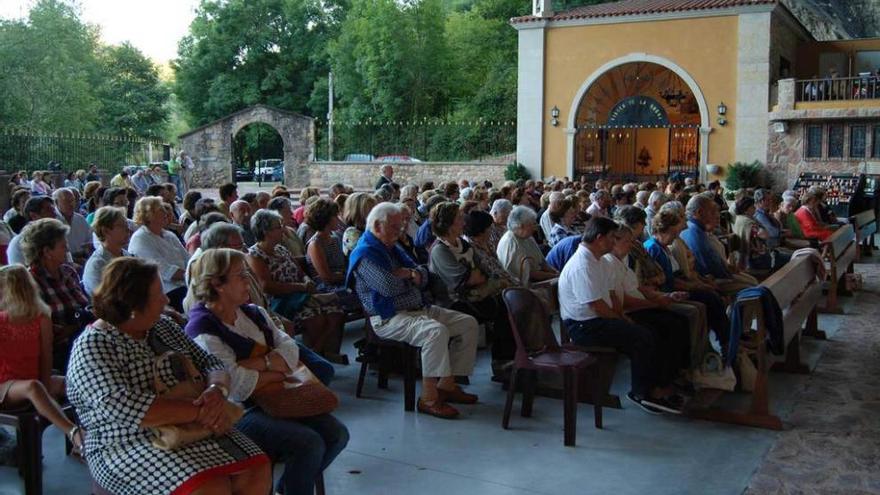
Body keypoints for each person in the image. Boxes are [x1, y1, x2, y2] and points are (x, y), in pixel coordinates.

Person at [66, 257, 272, 495]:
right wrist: (204, 410)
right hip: (127, 441)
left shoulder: (163, 326)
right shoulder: (93, 345)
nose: (166, 300)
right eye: (158, 296)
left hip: (196, 426)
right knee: (209, 488)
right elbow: (123, 407)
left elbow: (210, 362)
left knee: (257, 469)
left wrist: (217, 390)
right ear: (134, 306)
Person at [185, 249, 349, 495]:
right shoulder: (203, 330)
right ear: (218, 284)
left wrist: (257, 365)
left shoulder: (253, 313)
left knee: (337, 434)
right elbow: (235, 386)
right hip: (239, 411)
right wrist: (275, 366)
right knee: (309, 442)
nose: (248, 281)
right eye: (240, 276)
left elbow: (291, 350)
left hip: (278, 395)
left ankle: (288, 486)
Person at [348, 202, 480, 419]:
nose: (400, 232)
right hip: (388, 318)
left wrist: (409, 274)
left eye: (401, 227)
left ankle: (447, 385)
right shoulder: (365, 253)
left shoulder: (392, 247)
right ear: (377, 225)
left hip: (418, 309)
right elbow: (389, 288)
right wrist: (413, 278)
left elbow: (425, 274)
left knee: (467, 323)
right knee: (434, 332)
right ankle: (428, 398)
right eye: (394, 227)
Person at [558, 217, 684, 414]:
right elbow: (597, 306)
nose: (613, 242)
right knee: (641, 336)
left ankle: (661, 384)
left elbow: (610, 295)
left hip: (597, 320)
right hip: (583, 326)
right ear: (600, 238)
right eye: (612, 237)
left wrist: (622, 317)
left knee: (655, 328)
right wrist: (621, 320)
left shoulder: (596, 260)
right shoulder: (583, 264)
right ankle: (642, 393)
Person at [0, 265, 84, 451]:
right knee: (33, 387)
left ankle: (92, 432)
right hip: (5, 386)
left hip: (31, 378)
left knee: (71, 383)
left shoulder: (41, 317)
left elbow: (47, 356)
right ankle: (72, 432)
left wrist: (46, 384)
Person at [429, 202, 515, 376]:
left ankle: (506, 359)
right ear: (448, 224)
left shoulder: (462, 243)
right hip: (452, 300)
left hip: (473, 295)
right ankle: (502, 362)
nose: (464, 222)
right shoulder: (440, 250)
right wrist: (474, 276)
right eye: (459, 219)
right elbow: (462, 280)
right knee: (503, 306)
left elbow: (483, 271)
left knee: (508, 303)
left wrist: (475, 276)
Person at [247, 210, 346, 360]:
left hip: (300, 296)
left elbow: (299, 271)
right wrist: (301, 287)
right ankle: (313, 356)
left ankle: (319, 353)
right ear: (266, 231)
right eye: (278, 226)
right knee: (316, 316)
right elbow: (266, 286)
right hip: (280, 301)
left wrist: (306, 280)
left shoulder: (280, 249)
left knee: (336, 311)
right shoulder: (255, 255)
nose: (283, 229)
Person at [645, 211, 730, 360]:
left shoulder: (664, 246)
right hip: (668, 291)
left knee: (713, 296)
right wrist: (695, 286)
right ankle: (708, 349)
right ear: (663, 230)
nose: (676, 237)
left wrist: (699, 283)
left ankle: (720, 343)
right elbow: (666, 282)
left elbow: (677, 274)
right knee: (708, 301)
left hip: (676, 285)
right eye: (674, 233)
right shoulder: (653, 248)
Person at [20, 218, 93, 371]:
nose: (67, 249)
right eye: (62, 246)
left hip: (85, 339)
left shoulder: (68, 272)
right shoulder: (30, 282)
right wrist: (78, 324)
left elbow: (86, 306)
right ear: (47, 252)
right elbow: (42, 329)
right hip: (60, 352)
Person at [128, 196, 190, 312]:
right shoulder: (141, 238)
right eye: (160, 210)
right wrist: (192, 276)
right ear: (148, 215)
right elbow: (165, 271)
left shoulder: (169, 235)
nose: (165, 212)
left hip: (185, 283)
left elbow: (188, 259)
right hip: (166, 291)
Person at [305, 199, 359, 313]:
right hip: (326, 288)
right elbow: (326, 277)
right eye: (335, 215)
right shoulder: (315, 244)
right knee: (363, 291)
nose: (338, 219)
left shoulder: (335, 237)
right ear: (326, 219)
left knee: (367, 286)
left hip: (341, 280)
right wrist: (348, 275)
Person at [496, 206, 558, 284]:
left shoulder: (527, 237)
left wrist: (555, 272)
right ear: (521, 226)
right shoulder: (512, 244)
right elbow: (530, 274)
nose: (535, 228)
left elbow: (542, 262)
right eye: (532, 224)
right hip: (523, 286)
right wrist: (554, 276)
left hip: (538, 277)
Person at [83, 207, 131, 296]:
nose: (128, 229)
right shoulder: (97, 264)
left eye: (127, 224)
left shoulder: (128, 256)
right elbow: (105, 300)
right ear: (105, 230)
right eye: (121, 225)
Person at [6, 196, 62, 267]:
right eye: (48, 210)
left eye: (54, 210)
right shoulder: (18, 243)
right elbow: (19, 274)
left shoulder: (58, 238)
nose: (55, 214)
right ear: (33, 216)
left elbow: (67, 263)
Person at [53, 188, 93, 265]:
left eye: (72, 200)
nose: (71, 204)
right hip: (63, 262)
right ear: (56, 202)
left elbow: (90, 239)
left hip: (84, 258)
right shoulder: (53, 221)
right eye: (67, 201)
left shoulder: (80, 219)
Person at [732, 197, 773, 272]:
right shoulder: (748, 222)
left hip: (744, 258)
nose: (755, 208)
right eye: (752, 207)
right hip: (755, 259)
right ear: (746, 209)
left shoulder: (739, 218)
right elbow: (765, 235)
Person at [341, 192, 377, 256]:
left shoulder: (366, 227)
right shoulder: (351, 233)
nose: (374, 212)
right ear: (358, 211)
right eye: (370, 208)